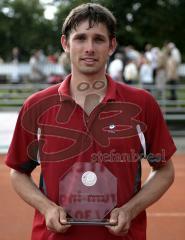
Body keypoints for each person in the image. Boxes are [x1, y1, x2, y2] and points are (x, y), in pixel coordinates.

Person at [5, 3, 176, 240]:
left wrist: (130, 209)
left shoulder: (142, 104)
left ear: (112, 45)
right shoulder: (36, 106)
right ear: (65, 43)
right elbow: (19, 172)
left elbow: (164, 169)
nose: (89, 48)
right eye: (80, 38)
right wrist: (47, 208)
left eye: (98, 39)